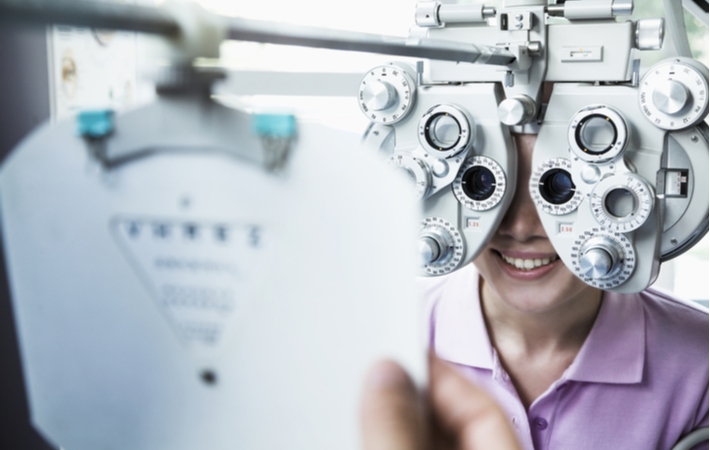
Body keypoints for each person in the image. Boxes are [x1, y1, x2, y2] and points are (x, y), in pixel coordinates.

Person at [416, 132, 709, 449]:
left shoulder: (700, 363)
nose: (520, 227)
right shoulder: (381, 339)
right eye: (483, 184)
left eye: (563, 187)